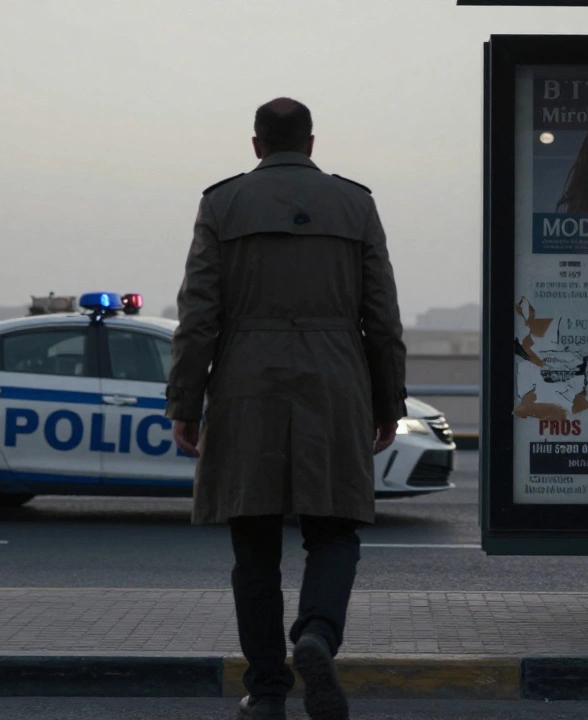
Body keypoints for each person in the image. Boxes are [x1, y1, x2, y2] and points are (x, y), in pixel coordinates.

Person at [165, 97, 407, 720]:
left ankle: (267, 690)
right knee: (335, 530)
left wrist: (185, 402)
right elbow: (382, 319)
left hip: (247, 383)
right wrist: (389, 401)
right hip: (335, 382)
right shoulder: (356, 204)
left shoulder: (222, 204)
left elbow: (198, 318)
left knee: (254, 546)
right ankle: (317, 637)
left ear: (255, 145)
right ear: (311, 142)